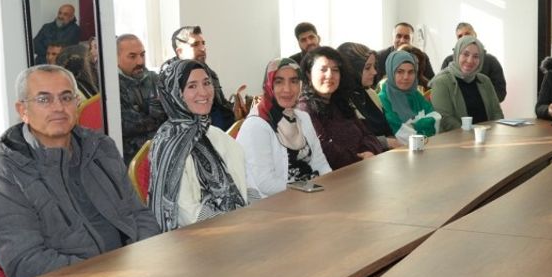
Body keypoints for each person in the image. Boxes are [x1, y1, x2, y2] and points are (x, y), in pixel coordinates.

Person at [0, 65, 159, 277]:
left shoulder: (100, 147)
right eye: (44, 99)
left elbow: (139, 214)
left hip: (133, 273)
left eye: (66, 98)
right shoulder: (3, 174)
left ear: (77, 103)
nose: (58, 107)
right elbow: (25, 262)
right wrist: (108, 275)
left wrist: (141, 259)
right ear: (23, 110)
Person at [147, 59, 248, 230]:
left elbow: (246, 182)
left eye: (207, 83)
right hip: (196, 236)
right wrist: (233, 224)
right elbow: (186, 212)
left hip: (236, 224)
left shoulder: (214, 133)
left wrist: (256, 214)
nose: (204, 92)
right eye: (192, 86)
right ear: (175, 94)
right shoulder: (168, 144)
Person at [235, 57, 331, 199]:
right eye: (279, 81)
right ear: (269, 85)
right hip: (276, 203)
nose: (287, 89)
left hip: (310, 194)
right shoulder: (256, 125)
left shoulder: (302, 118)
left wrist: (330, 187)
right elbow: (265, 183)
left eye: (294, 81)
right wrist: (308, 189)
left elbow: (320, 163)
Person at [297, 46, 385, 169]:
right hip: (336, 176)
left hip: (361, 170)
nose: (330, 75)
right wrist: (359, 159)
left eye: (335, 70)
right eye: (323, 69)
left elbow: (369, 136)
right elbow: (325, 149)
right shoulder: (304, 109)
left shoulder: (340, 103)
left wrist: (369, 151)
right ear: (308, 74)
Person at [168, 24, 237, 131]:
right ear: (180, 52)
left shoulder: (209, 73)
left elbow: (221, 105)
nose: (203, 48)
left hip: (221, 133)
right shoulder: (170, 80)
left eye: (203, 43)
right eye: (195, 44)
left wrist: (236, 108)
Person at [430, 35, 504, 132]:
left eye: (476, 56)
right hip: (456, 138)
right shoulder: (441, 82)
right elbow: (445, 118)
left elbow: (497, 113)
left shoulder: (485, 81)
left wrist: (495, 133)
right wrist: (471, 133)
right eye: (465, 54)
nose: (470, 60)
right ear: (457, 54)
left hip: (487, 135)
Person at [337, 42, 397, 149]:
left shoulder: (370, 93)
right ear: (351, 70)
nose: (374, 72)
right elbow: (354, 141)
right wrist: (386, 142)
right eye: (367, 68)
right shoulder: (340, 101)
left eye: (374, 66)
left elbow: (388, 130)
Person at [116, 34, 166, 163]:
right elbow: (127, 125)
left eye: (142, 55)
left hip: (163, 151)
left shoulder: (156, 79)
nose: (140, 62)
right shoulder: (112, 87)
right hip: (130, 158)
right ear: (116, 58)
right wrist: (157, 117)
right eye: (132, 56)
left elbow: (174, 115)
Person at [378, 49, 439, 139]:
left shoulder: (416, 95)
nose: (406, 77)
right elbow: (398, 132)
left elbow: (436, 117)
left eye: (411, 72)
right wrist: (424, 125)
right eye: (400, 72)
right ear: (391, 72)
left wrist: (414, 126)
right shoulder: (383, 99)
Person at [440, 23, 507, 101]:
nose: (464, 37)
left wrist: (480, 102)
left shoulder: (491, 61)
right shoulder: (448, 61)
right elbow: (443, 91)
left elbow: (500, 92)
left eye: (467, 34)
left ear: (474, 35)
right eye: (460, 36)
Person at [378, 22, 435, 89]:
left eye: (406, 37)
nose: (402, 40)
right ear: (393, 38)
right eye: (398, 36)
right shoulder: (380, 56)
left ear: (412, 40)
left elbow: (431, 82)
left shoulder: (421, 56)